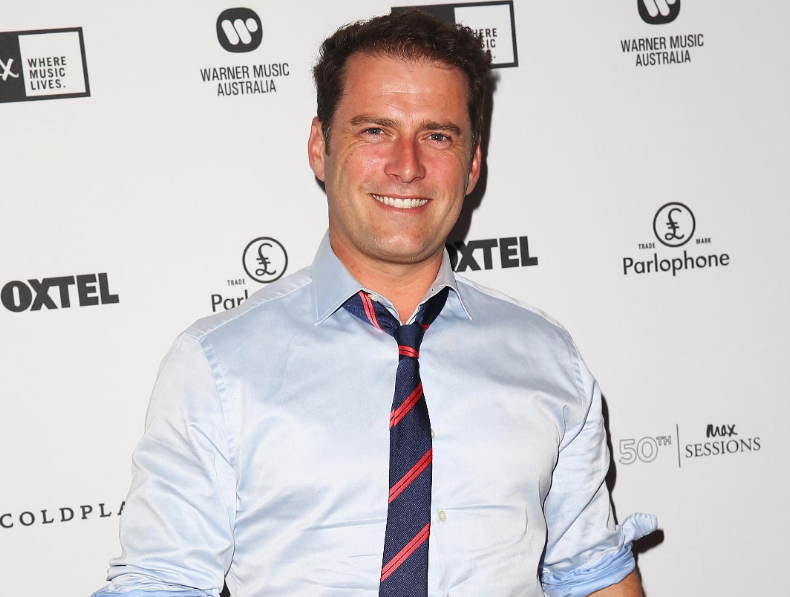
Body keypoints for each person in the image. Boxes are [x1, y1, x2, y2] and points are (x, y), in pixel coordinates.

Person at [92, 10, 656, 597]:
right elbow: (160, 584)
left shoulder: (548, 358)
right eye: (375, 131)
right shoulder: (219, 365)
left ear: (472, 165)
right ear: (319, 147)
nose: (406, 166)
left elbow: (591, 574)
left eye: (437, 136)